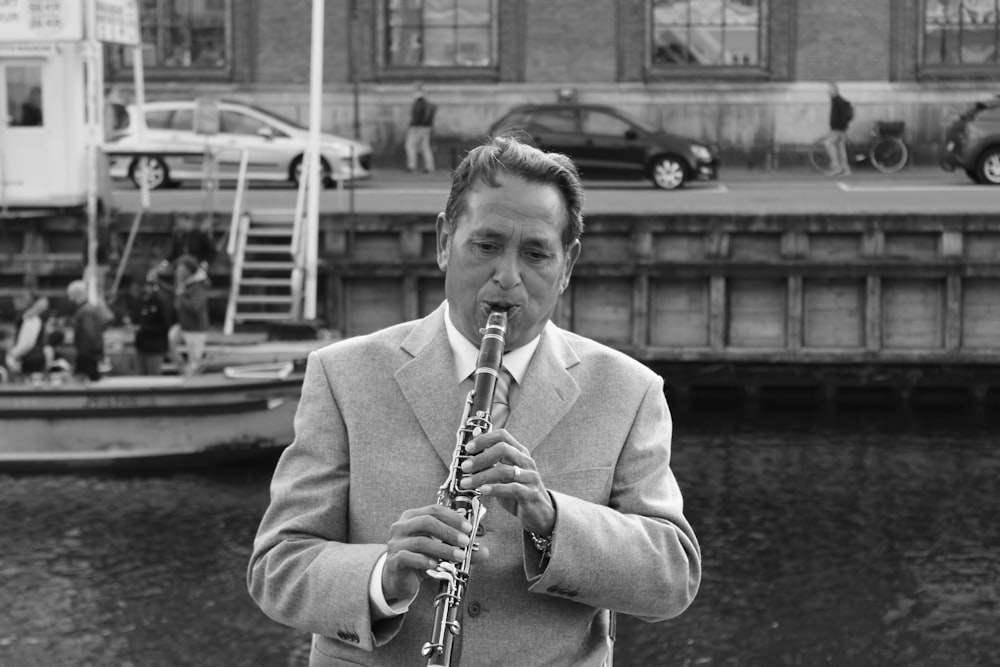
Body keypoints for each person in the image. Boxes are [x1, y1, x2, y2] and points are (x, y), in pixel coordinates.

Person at [248, 135, 701, 666]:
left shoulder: (629, 391)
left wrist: (552, 519)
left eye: (535, 254)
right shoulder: (343, 374)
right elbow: (277, 568)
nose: (507, 277)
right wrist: (382, 574)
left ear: (568, 265)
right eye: (486, 246)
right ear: (444, 241)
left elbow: (672, 578)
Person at [172, 255, 209, 376]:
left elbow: (195, 308)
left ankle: (193, 381)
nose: (178, 273)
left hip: (196, 329)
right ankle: (183, 370)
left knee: (195, 362)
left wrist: (181, 295)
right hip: (184, 326)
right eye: (177, 270)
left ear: (189, 271)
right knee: (168, 341)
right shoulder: (184, 284)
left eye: (181, 270)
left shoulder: (199, 286)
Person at [4, 290, 52, 378]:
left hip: (32, 359)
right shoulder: (27, 316)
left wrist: (13, 354)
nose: (14, 304)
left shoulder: (31, 318)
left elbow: (27, 343)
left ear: (23, 301)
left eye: (16, 301)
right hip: (31, 357)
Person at [66, 280, 107, 381]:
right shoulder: (86, 309)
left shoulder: (85, 311)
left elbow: (90, 335)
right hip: (88, 355)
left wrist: (87, 356)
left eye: (71, 295)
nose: (70, 298)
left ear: (76, 294)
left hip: (87, 357)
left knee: (84, 385)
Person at [133, 274, 174, 376]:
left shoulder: (161, 303)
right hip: (141, 346)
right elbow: (136, 319)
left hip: (155, 348)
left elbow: (164, 326)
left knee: (154, 376)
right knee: (140, 376)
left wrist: (143, 329)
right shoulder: (140, 302)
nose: (147, 289)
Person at [823, 81, 854, 176]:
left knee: (828, 144)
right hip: (840, 129)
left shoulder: (838, 101)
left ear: (835, 91)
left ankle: (836, 167)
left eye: (830, 90)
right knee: (841, 149)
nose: (828, 92)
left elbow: (842, 116)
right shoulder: (837, 101)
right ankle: (845, 169)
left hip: (838, 129)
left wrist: (841, 126)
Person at [405, 83, 437, 173]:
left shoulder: (418, 103)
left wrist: (411, 126)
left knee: (410, 146)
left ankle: (411, 166)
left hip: (416, 128)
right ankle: (429, 167)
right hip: (426, 128)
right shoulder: (426, 103)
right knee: (425, 147)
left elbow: (416, 117)